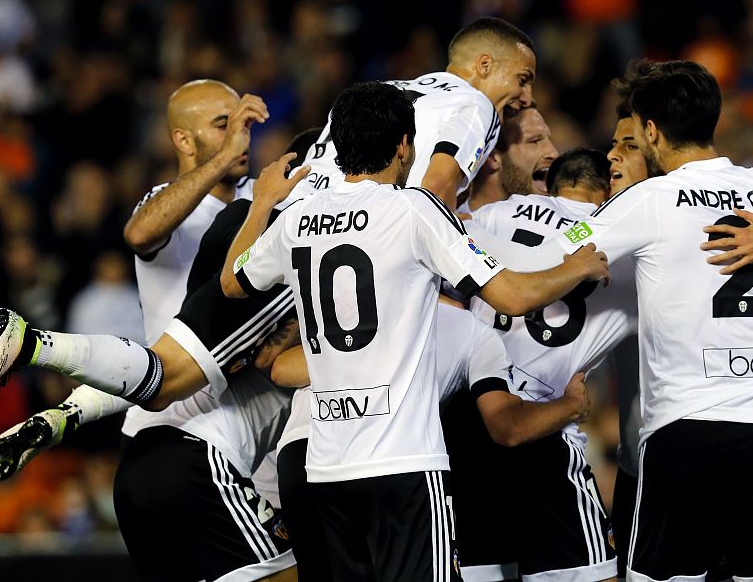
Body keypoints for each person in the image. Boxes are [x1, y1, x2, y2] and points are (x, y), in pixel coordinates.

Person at [222, 81, 609, 582]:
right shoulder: (414, 210)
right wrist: (576, 268)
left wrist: (260, 205)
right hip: (402, 462)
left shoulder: (297, 218)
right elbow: (511, 296)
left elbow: (233, 281)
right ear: (405, 144)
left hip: (326, 467)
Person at [483, 59, 753, 582]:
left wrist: (561, 226)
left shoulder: (649, 201)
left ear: (651, 130)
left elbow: (565, 245)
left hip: (682, 434)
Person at [0, 80, 308, 582]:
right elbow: (139, 233)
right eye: (223, 125)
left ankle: (63, 411)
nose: (242, 138)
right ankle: (37, 350)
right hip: (198, 429)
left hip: (161, 434)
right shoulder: (176, 205)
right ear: (184, 141)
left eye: (246, 125)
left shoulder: (262, 202)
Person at [271, 296, 592, 582]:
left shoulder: (369, 304)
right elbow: (508, 426)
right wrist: (571, 405)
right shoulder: (475, 331)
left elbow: (282, 369)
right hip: (387, 459)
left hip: (303, 457)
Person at [468, 148, 626, 582]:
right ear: (607, 189)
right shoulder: (616, 236)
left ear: (551, 185)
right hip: (542, 429)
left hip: (465, 424)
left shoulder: (493, 216)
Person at [291, 16, 536, 210]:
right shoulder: (476, 103)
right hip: (356, 229)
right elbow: (437, 188)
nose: (528, 97)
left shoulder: (383, 88)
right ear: (485, 65)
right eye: (522, 79)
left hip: (294, 215)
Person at [604, 95, 649, 582]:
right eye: (612, 144)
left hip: (684, 462)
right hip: (635, 468)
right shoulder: (607, 228)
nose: (612, 155)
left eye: (629, 145)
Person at [458, 106, 558, 213]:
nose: (553, 153)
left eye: (549, 139)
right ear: (492, 158)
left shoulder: (568, 225)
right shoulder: (448, 227)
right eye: (534, 141)